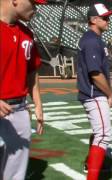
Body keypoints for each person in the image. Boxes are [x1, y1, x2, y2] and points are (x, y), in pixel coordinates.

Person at [0, 0, 46, 179]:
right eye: (33, 3)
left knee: (15, 174)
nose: (36, 8)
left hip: (19, 110)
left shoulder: (27, 34)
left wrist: (38, 104)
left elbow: (32, 72)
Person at [76, 3, 112, 180]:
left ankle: (89, 163)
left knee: (98, 131)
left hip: (94, 93)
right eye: (105, 17)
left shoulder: (94, 38)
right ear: (93, 19)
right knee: (104, 134)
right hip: (94, 93)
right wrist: (109, 94)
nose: (108, 20)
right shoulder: (91, 40)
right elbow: (96, 74)